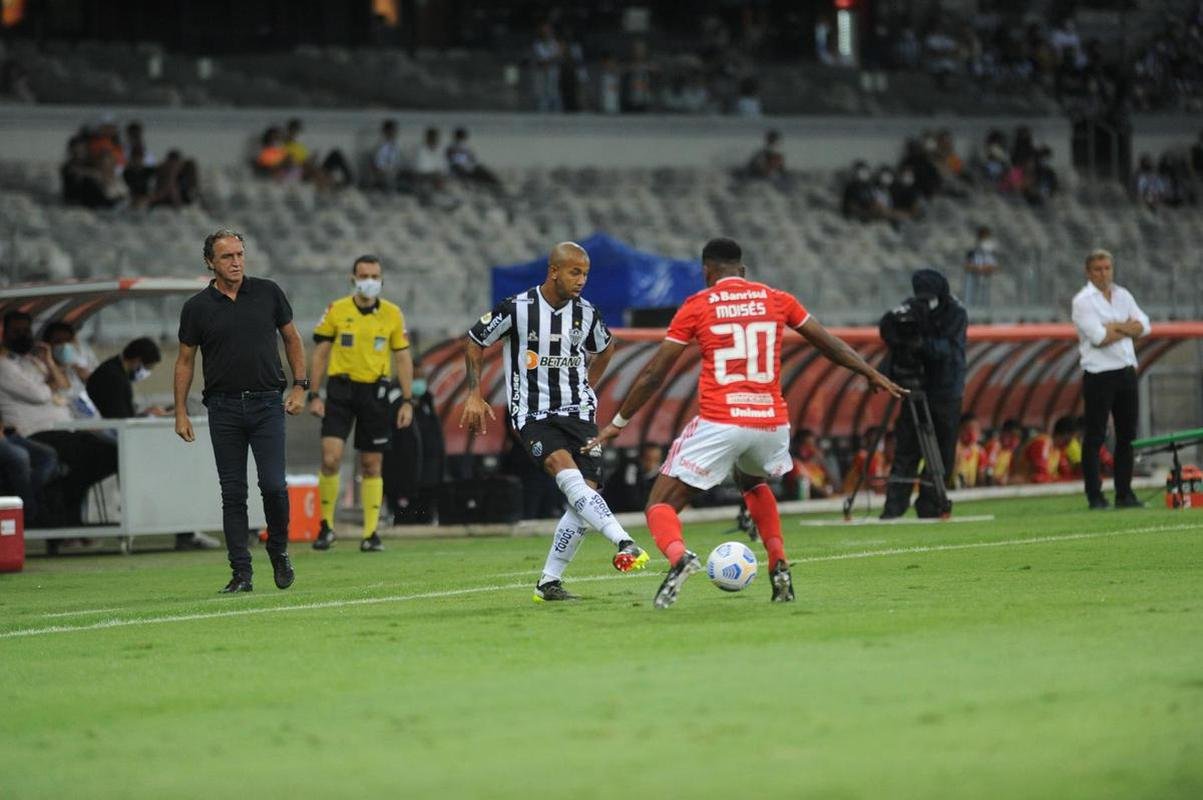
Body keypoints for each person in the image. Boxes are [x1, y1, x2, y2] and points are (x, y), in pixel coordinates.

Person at [587, 238, 904, 608]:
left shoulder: (696, 305)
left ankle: (679, 558)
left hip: (722, 420)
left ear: (707, 272)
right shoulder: (777, 299)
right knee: (751, 481)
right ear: (744, 271)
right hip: (772, 423)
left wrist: (619, 422)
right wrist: (869, 372)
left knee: (660, 503)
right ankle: (778, 560)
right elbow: (827, 342)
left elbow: (654, 375)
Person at [460, 241, 649, 602]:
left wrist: (587, 385)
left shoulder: (587, 313)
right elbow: (474, 340)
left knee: (584, 499)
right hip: (533, 413)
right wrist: (473, 393)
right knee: (570, 479)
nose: (581, 280)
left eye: (585, 274)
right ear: (554, 271)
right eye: (575, 272)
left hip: (578, 413)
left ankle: (548, 582)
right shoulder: (518, 308)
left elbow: (606, 346)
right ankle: (625, 541)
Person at [174, 229, 308, 593]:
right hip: (223, 408)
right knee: (232, 492)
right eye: (226, 257)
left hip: (267, 403)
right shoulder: (197, 308)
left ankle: (278, 549)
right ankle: (241, 573)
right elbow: (185, 361)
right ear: (210, 262)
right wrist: (180, 412)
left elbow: (292, 338)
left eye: (239, 254)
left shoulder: (267, 292)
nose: (235, 262)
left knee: (274, 486)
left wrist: (300, 386)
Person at [308, 255, 414, 552]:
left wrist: (407, 400)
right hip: (340, 390)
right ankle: (326, 526)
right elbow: (320, 353)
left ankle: (370, 533)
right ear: (353, 279)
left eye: (375, 276)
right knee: (330, 458)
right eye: (364, 275)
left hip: (375, 393)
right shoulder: (336, 310)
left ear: (381, 279)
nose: (370, 281)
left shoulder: (393, 314)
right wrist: (314, 394)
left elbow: (403, 357)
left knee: (372, 463)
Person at [0, 311, 116, 527]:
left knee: (109, 452)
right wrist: (49, 386)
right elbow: (40, 395)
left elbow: (65, 387)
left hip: (63, 430)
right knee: (105, 452)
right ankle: (50, 515)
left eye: (26, 331)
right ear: (4, 334)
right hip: (35, 433)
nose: (23, 335)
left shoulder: (34, 361)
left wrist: (50, 364)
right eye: (16, 332)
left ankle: (65, 512)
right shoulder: (4, 366)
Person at [879, 269, 967, 519]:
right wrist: (902, 339)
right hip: (915, 386)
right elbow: (890, 328)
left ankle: (930, 505)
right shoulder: (912, 307)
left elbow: (948, 349)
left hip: (946, 390)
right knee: (906, 448)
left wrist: (922, 344)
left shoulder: (955, 313)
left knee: (942, 451)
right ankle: (894, 508)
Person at [1070, 249, 1150, 510]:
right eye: (1098, 269)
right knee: (1095, 435)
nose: (1103, 273)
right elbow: (1098, 337)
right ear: (1088, 272)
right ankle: (1095, 496)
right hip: (1099, 373)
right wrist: (1128, 329)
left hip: (1125, 369)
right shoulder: (1083, 301)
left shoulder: (1123, 295)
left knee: (1128, 436)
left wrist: (1115, 327)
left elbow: (1145, 326)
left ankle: (1124, 493)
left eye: (1107, 268)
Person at [963, 226, 999, 309]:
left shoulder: (990, 252)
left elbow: (994, 266)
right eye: (983, 237)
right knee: (970, 299)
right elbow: (967, 266)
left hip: (985, 280)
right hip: (973, 279)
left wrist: (985, 268)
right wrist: (979, 268)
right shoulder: (973, 251)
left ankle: (985, 317)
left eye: (986, 237)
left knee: (985, 301)